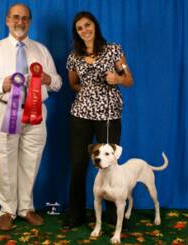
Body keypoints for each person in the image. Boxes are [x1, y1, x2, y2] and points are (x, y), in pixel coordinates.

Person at [0, 3, 62, 231]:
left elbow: (58, 83)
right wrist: (0, 84)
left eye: (24, 18)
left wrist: (48, 80)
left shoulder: (41, 50)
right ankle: (7, 210)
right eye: (15, 17)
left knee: (31, 161)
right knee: (4, 161)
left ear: (30, 22)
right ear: (7, 20)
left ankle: (25, 208)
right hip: (5, 110)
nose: (20, 22)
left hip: (36, 113)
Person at [63, 11, 133, 229]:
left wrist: (118, 78)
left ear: (95, 25)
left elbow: (129, 80)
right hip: (81, 115)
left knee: (110, 163)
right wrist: (88, 93)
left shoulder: (114, 50)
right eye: (80, 28)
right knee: (78, 164)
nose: (85, 30)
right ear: (76, 33)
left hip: (109, 114)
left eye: (87, 25)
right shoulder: (73, 56)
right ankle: (76, 216)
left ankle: (113, 217)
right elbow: (73, 83)